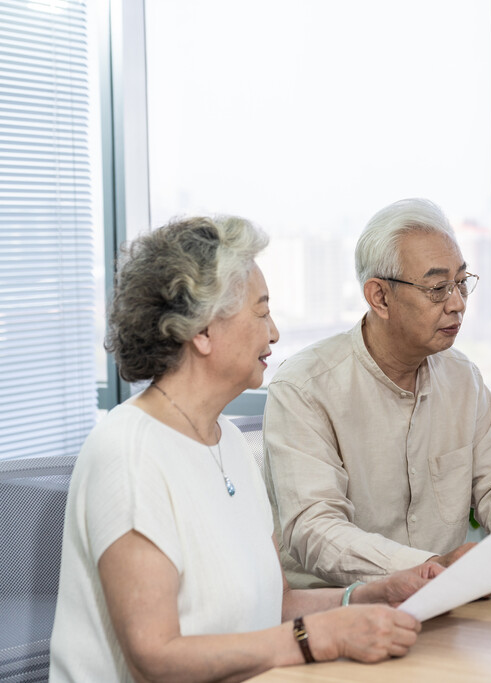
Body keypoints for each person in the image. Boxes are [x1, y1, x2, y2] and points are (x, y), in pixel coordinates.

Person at [50, 216, 442, 682]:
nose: (273, 333)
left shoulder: (228, 441)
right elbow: (154, 658)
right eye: (261, 312)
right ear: (201, 330)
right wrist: (322, 638)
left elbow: (275, 606)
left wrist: (368, 596)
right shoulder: (129, 453)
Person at [263, 197, 491, 589]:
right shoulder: (305, 387)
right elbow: (315, 530)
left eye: (462, 283)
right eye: (437, 289)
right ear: (379, 297)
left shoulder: (461, 377)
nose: (457, 304)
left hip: (445, 605)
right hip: (343, 615)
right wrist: (431, 568)